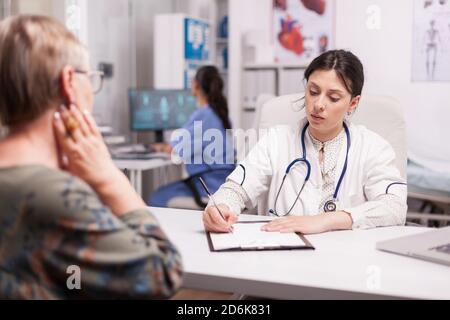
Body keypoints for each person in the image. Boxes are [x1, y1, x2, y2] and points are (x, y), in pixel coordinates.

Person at [0, 15, 183, 299]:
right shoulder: (53, 194)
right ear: (69, 82)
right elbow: (162, 274)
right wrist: (110, 177)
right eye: (91, 77)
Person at [203, 50, 408, 234]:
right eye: (313, 92)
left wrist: (326, 221)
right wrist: (221, 208)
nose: (318, 105)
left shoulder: (372, 147)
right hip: (282, 258)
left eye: (333, 97)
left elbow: (394, 206)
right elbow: (236, 189)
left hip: (346, 262)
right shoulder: (276, 140)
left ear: (353, 103)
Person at [150, 66, 235, 208]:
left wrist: (156, 147)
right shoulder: (219, 113)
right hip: (223, 181)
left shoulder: (203, 115)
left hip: (209, 184)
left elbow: (175, 149)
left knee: (157, 198)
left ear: (195, 85)